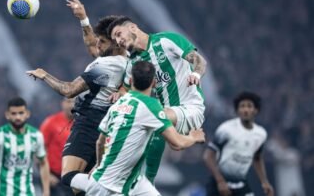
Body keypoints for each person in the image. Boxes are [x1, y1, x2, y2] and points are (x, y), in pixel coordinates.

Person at [67, 61, 205, 196]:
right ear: (154, 83)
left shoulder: (118, 104)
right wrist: (194, 137)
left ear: (131, 80)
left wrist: (98, 165)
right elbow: (177, 143)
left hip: (122, 179)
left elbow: (100, 142)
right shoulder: (151, 106)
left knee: (68, 177)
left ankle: (70, 178)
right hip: (111, 187)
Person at [26, 15, 128, 195]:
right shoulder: (125, 59)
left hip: (88, 123)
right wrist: (83, 19)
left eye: (102, 41)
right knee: (80, 185)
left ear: (115, 43)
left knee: (68, 177)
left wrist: (44, 75)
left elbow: (69, 90)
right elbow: (91, 45)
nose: (97, 45)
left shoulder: (105, 65)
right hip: (106, 124)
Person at [108, 16, 207, 182]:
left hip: (191, 108)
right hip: (168, 116)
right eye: (115, 39)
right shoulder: (134, 63)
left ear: (132, 27)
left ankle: (142, 180)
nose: (118, 41)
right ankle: (144, 183)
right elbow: (125, 88)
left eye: (119, 34)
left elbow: (199, 60)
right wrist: (119, 94)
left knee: (151, 117)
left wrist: (196, 73)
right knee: (171, 140)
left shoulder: (166, 41)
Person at [0, 97, 50, 196]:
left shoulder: (36, 136)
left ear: (27, 114)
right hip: (2, 192)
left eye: (21, 113)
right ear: (7, 115)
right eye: (14, 114)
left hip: (26, 193)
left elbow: (43, 163)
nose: (18, 117)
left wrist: (46, 190)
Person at [203, 92, 274, 196]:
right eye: (242, 106)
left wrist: (264, 182)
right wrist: (220, 181)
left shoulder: (260, 134)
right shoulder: (226, 129)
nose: (245, 109)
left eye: (249, 106)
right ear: (237, 110)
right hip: (219, 184)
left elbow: (257, 158)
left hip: (240, 184)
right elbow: (208, 156)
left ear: (256, 110)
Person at [40, 98, 75, 196]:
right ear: (62, 103)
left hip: (73, 176)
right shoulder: (51, 122)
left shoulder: (81, 124)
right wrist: (48, 175)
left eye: (74, 102)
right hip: (54, 177)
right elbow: (39, 151)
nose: (71, 105)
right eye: (68, 101)